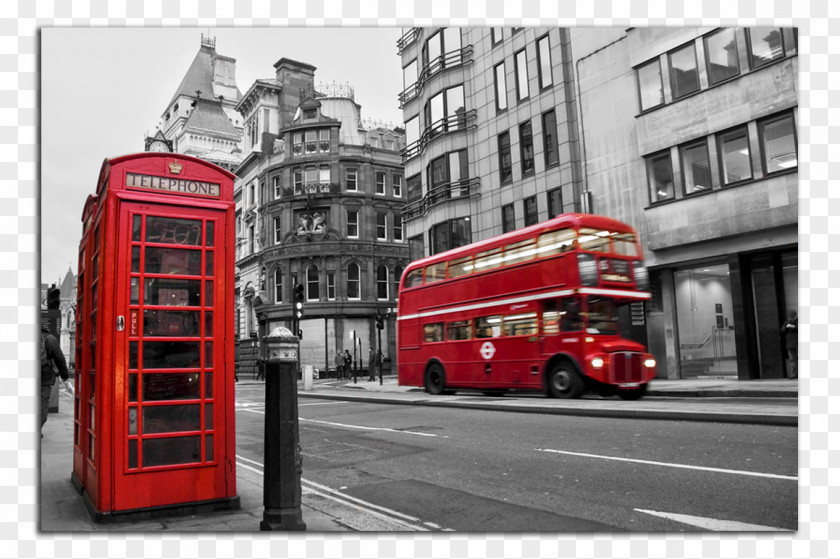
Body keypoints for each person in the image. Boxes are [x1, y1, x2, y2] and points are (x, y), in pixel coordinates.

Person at [40, 325, 72, 437]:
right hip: (44, 378)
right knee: (42, 404)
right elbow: (60, 359)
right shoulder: (50, 339)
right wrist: (65, 378)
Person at [780, 310, 798, 379]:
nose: (791, 318)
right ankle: (795, 374)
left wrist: (794, 328)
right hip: (790, 344)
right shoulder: (787, 323)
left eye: (792, 317)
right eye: (790, 317)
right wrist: (786, 328)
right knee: (793, 360)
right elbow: (782, 331)